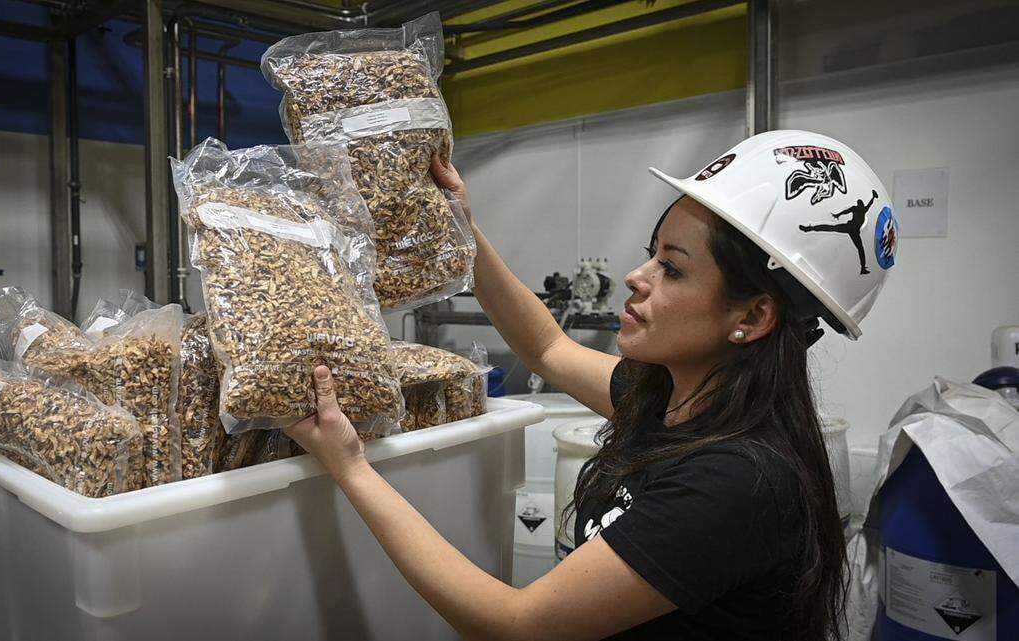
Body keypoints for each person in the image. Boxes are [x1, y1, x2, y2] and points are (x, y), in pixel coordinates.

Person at [285, 130, 898, 641]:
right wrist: (463, 230)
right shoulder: (671, 401)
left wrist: (352, 468)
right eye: (651, 254)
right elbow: (550, 348)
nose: (637, 277)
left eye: (673, 268)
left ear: (753, 316)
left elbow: (519, 623)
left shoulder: (738, 480)